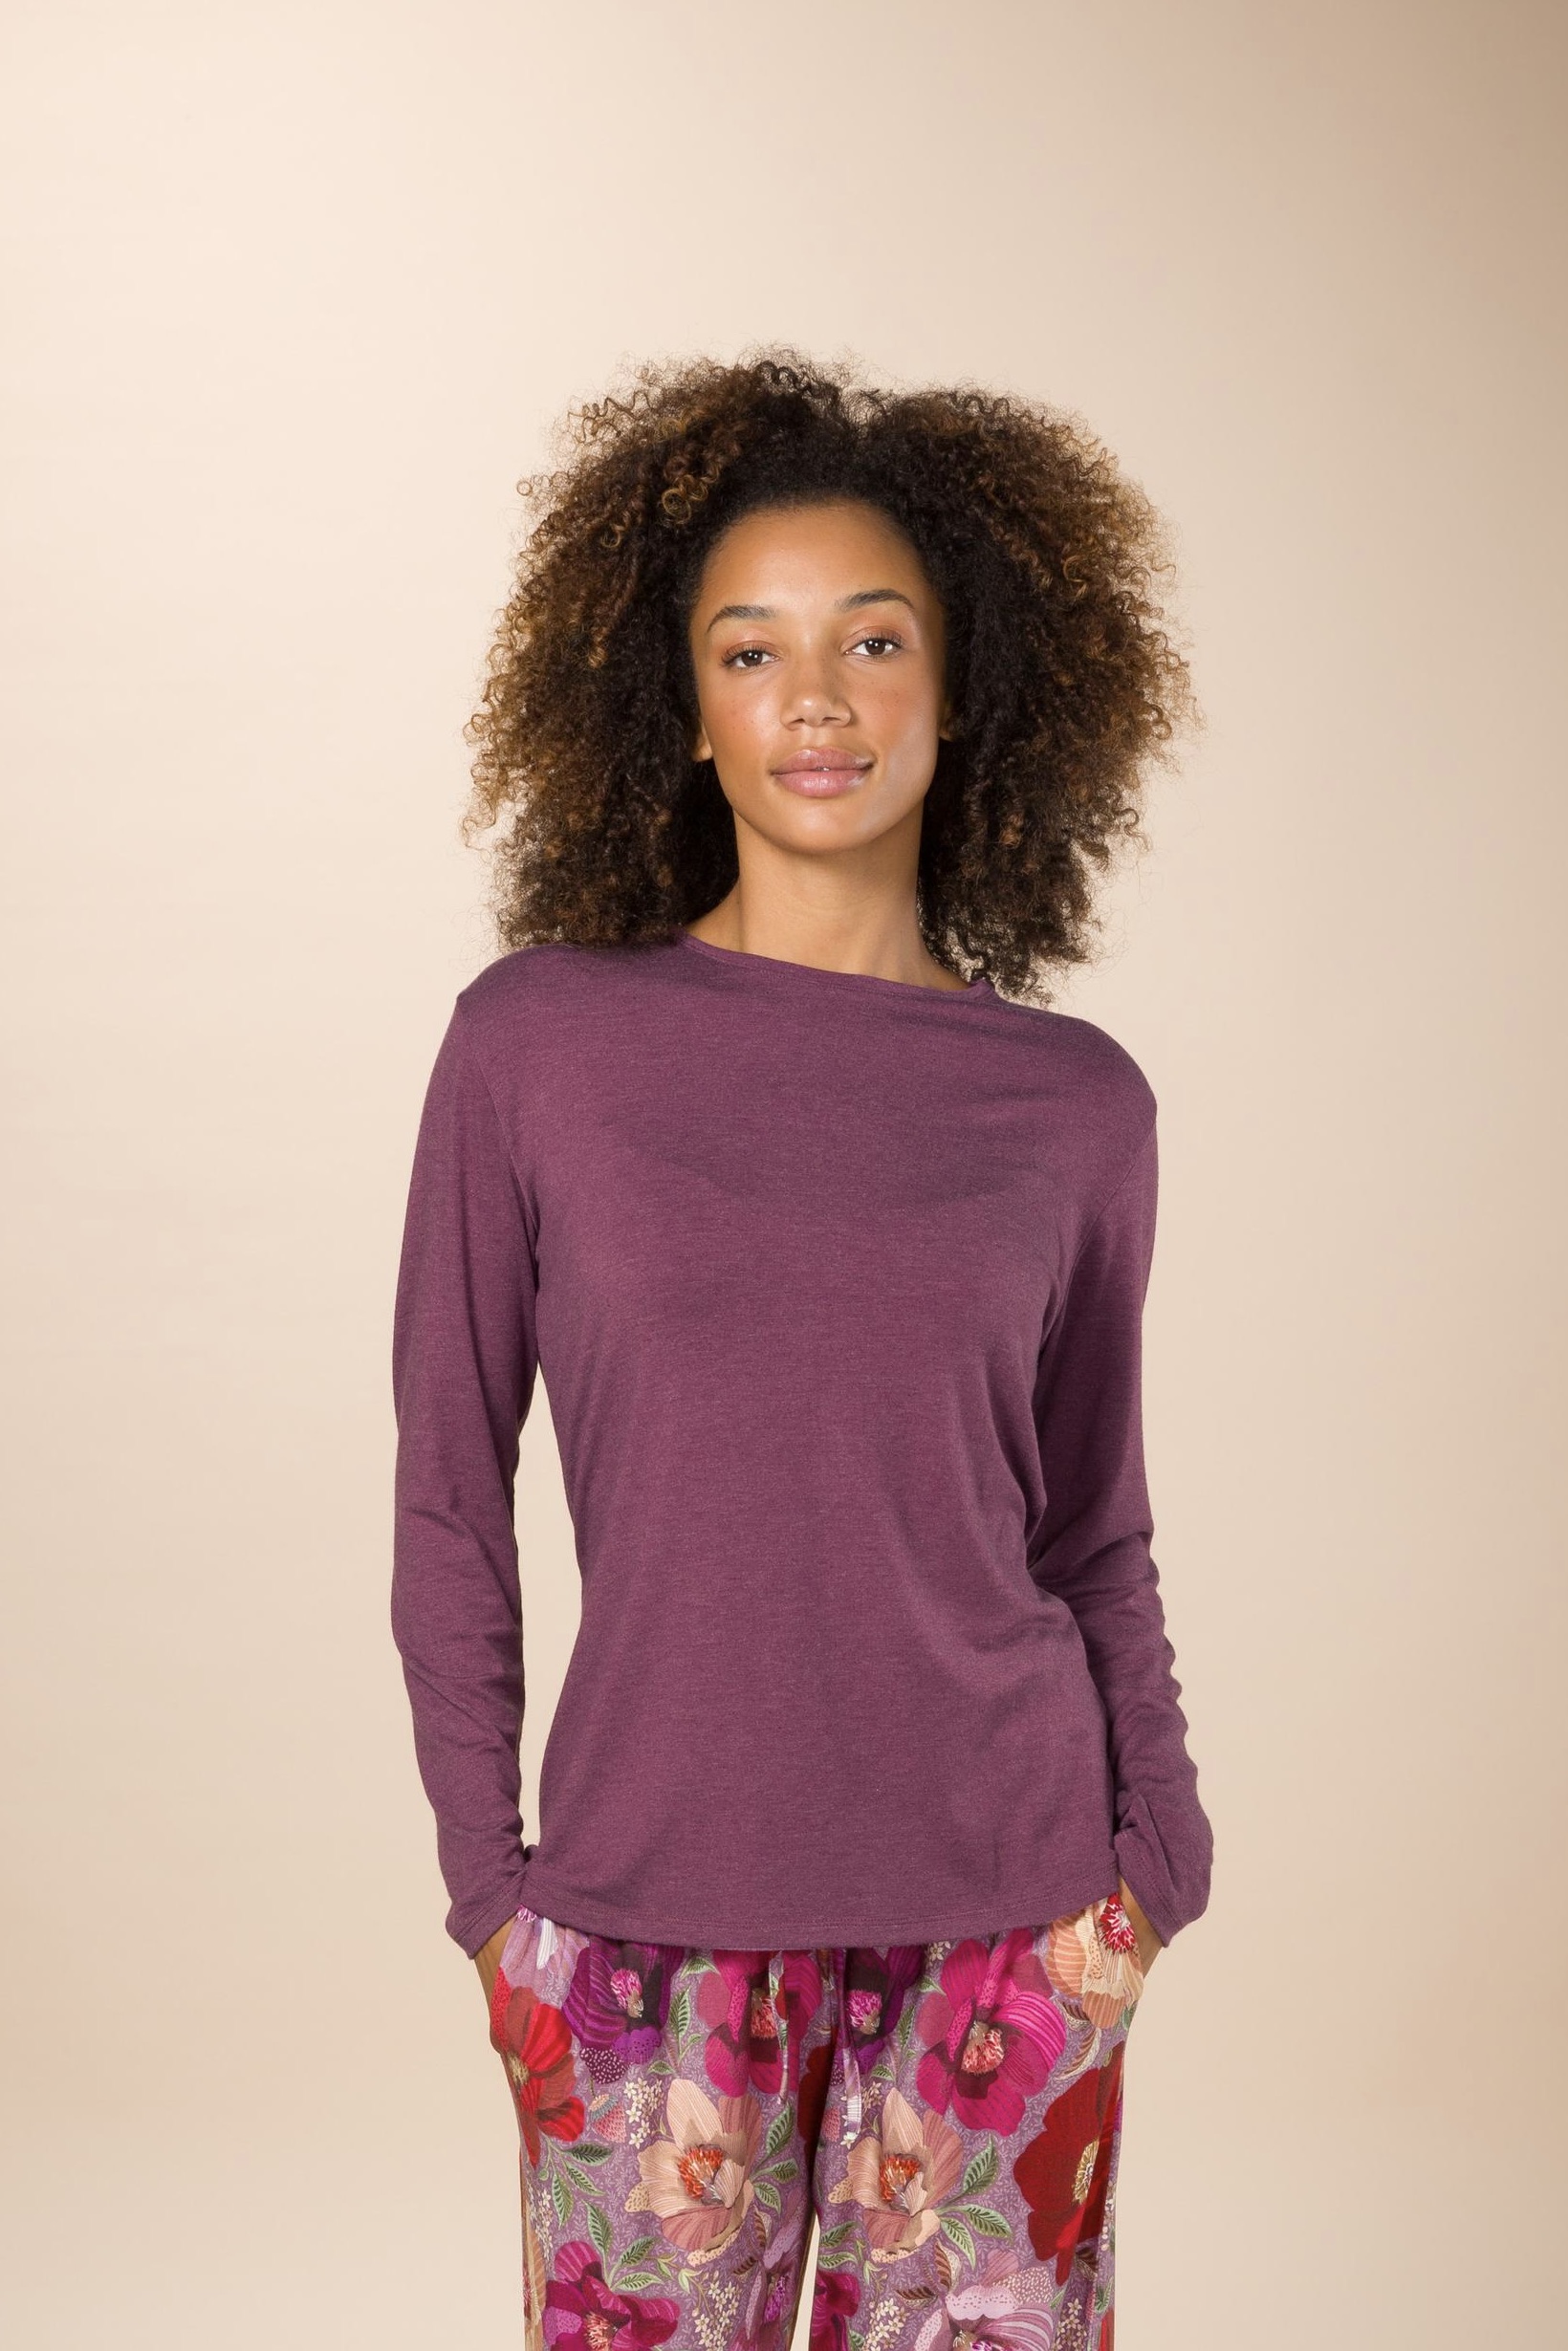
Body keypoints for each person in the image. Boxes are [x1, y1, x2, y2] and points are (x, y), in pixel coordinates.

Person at [390, 350, 1214, 2351]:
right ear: (684, 707)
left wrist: (1155, 1865)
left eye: (873, 639)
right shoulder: (536, 1050)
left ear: (965, 682)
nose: (817, 699)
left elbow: (1090, 1527)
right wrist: (490, 1892)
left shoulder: (1076, 1105)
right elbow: (448, 1493)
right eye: (751, 652)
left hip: (1013, 1925)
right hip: (637, 1928)